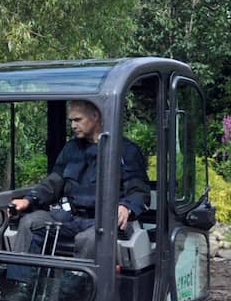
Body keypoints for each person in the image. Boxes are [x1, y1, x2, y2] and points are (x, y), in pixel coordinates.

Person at [9, 100, 150, 259]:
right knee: (30, 222)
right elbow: (53, 182)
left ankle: (73, 283)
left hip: (104, 222)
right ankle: (21, 283)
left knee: (88, 240)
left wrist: (126, 206)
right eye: (71, 121)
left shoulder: (126, 150)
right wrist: (28, 200)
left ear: (95, 116)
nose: (73, 126)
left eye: (78, 120)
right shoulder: (71, 149)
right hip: (72, 218)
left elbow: (139, 191)